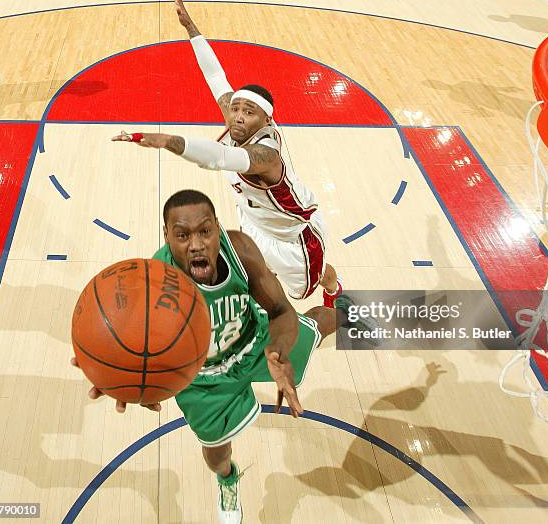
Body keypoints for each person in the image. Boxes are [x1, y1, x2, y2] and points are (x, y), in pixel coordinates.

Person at [72, 189, 347, 523]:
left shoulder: (240, 250)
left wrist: (278, 350)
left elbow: (279, 310)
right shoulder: (152, 283)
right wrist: (118, 373)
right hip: (202, 379)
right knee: (217, 453)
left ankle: (343, 302)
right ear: (167, 237)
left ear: (217, 227)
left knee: (320, 324)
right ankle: (228, 480)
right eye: (182, 235)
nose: (196, 244)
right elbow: (134, 346)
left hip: (254, 341)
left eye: (205, 231)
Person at [111, 0, 343, 308]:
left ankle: (333, 289)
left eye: (248, 112)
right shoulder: (238, 119)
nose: (237, 116)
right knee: (257, 276)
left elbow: (222, 157)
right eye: (235, 108)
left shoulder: (266, 156)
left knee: (310, 284)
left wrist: (168, 141)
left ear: (266, 120)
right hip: (253, 220)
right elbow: (216, 76)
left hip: (292, 236)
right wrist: (192, 29)